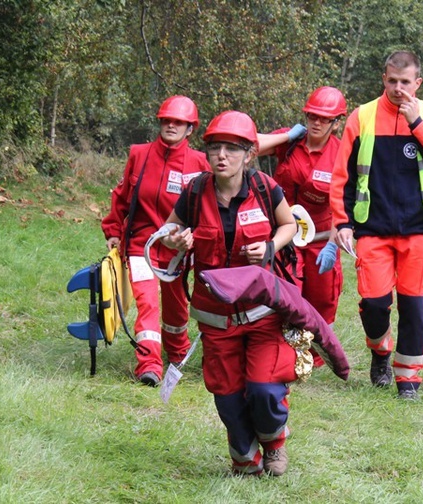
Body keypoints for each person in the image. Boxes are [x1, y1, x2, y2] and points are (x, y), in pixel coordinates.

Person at [161, 110, 298, 476]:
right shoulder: (193, 193)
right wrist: (176, 240)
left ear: (249, 154)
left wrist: (269, 246)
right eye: (215, 148)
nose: (221, 156)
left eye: (232, 149)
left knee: (265, 389)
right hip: (216, 319)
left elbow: (290, 224)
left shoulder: (267, 189)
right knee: (227, 396)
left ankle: (274, 443)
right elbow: (166, 234)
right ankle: (244, 458)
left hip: (263, 315)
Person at [330, 50, 423, 400]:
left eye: (406, 82)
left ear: (418, 83)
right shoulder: (363, 116)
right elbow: (342, 175)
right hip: (372, 228)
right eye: (392, 81)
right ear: (383, 79)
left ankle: (409, 383)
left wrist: (418, 124)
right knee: (373, 303)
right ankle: (380, 352)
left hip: (418, 230)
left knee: (415, 308)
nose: (399, 88)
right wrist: (341, 221)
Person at [101, 95, 210, 387]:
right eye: (167, 120)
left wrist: (193, 238)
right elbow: (122, 197)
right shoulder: (139, 154)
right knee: (148, 302)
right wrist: (112, 229)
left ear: (190, 129)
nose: (171, 125)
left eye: (179, 122)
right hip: (140, 246)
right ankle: (149, 364)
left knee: (176, 311)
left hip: (177, 253)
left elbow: (208, 211)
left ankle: (178, 353)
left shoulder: (201, 163)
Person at [259, 86, 348, 330]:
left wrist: (333, 244)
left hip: (321, 242)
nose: (316, 123)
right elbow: (248, 145)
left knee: (322, 302)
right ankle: (281, 350)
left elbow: (345, 204)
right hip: (284, 238)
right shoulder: (289, 142)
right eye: (312, 116)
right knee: (284, 297)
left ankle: (316, 357)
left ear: (336, 123)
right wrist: (286, 137)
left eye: (324, 119)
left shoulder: (341, 153)